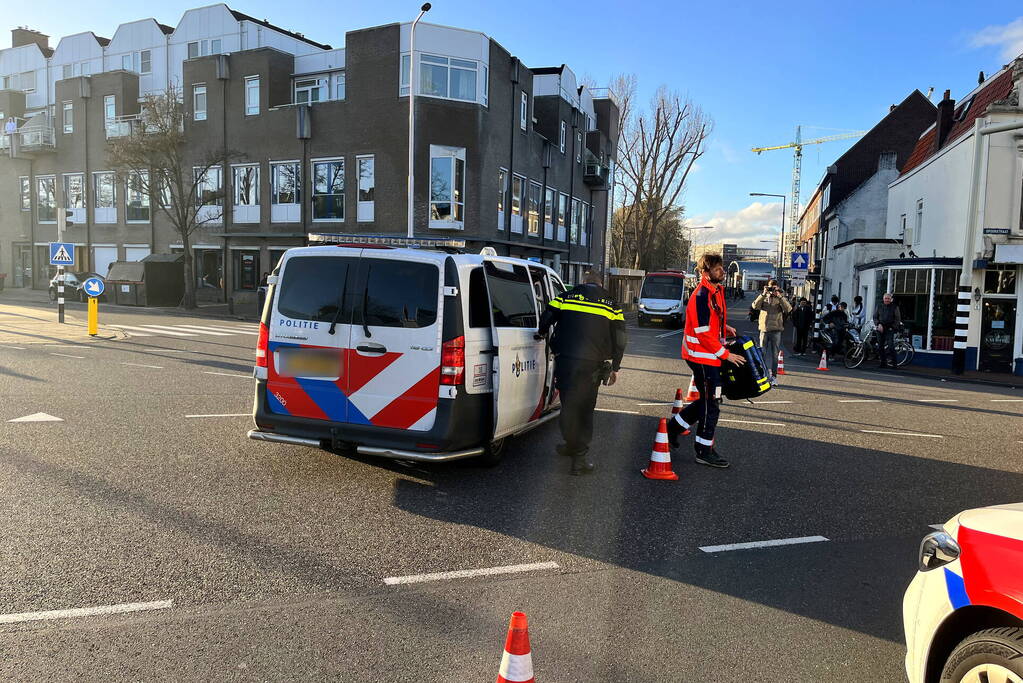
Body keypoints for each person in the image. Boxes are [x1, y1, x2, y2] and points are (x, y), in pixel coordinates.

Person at [537, 268, 627, 475]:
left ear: (583, 281)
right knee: (585, 409)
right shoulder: (611, 303)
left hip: (566, 360)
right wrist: (615, 366)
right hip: (592, 365)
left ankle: (570, 445)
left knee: (568, 405)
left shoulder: (567, 296)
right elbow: (621, 338)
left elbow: (547, 317)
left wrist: (541, 333)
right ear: (600, 283)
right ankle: (579, 458)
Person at [666, 253, 746, 469]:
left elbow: (712, 320)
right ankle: (703, 451)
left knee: (710, 401)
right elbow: (702, 333)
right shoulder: (702, 295)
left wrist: (724, 328)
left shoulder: (716, 291)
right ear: (705, 273)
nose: (721, 271)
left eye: (721, 267)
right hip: (701, 357)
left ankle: (673, 428)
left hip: (709, 356)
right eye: (717, 268)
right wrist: (726, 354)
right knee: (712, 404)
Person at [752, 279, 792, 380]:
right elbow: (755, 306)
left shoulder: (780, 297)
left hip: (776, 330)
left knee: (775, 355)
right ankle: (763, 374)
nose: (772, 289)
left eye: (773, 287)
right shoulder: (764, 297)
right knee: (762, 353)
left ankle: (774, 376)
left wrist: (779, 296)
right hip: (764, 329)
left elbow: (788, 309)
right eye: (770, 287)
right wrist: (763, 294)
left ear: (777, 287)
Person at [874, 292, 902, 368]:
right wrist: (878, 324)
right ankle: (883, 363)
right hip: (880, 328)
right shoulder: (879, 306)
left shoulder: (895, 307)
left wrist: (892, 327)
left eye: (888, 299)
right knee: (880, 346)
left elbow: (898, 319)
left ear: (891, 299)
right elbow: (875, 317)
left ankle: (894, 364)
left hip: (889, 329)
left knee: (890, 346)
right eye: (885, 298)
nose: (887, 300)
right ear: (883, 299)